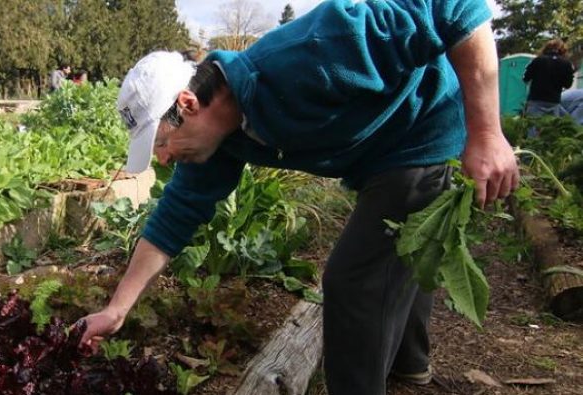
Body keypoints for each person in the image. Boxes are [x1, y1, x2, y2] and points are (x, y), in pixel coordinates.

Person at [77, 0, 519, 394]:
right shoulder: (218, 139)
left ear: (189, 104)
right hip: (375, 152)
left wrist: (486, 132)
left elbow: (458, 8)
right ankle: (411, 365)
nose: (167, 160)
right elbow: (173, 218)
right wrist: (117, 309)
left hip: (423, 130)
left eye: (163, 144)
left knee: (352, 282)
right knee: (397, 251)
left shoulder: (317, 49)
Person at [523, 39, 575, 118]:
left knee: (532, 127)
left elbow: (525, 78)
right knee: (552, 127)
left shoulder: (537, 60)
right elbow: (568, 85)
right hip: (554, 101)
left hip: (536, 100)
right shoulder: (567, 64)